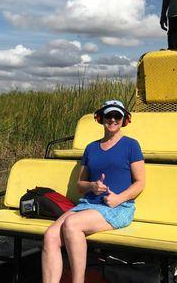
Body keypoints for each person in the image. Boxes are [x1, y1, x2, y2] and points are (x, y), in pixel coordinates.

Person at [41, 100, 145, 283]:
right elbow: (80, 184)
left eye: (117, 116)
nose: (113, 119)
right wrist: (92, 186)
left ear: (124, 120)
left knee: (72, 224)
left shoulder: (131, 145)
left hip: (118, 207)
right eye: (108, 115)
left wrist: (119, 198)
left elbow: (140, 182)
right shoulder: (91, 148)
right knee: (50, 236)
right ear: (101, 118)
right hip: (88, 205)